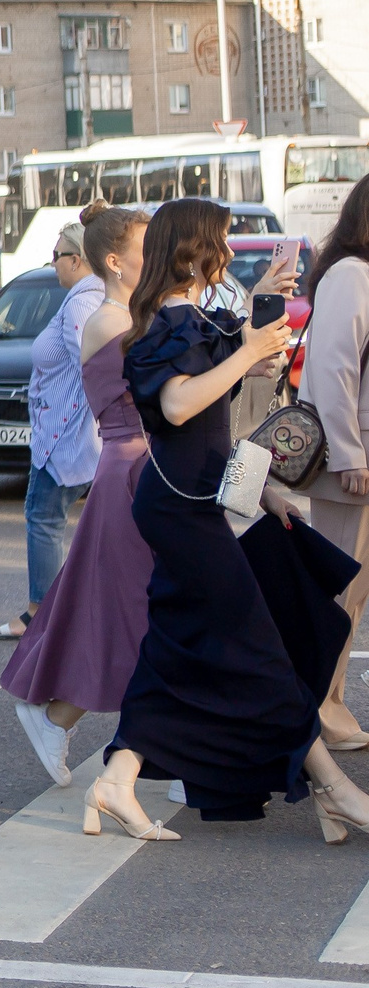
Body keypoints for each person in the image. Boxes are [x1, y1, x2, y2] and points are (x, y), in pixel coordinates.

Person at [84, 197, 369, 843]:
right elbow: (181, 407)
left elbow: (217, 426)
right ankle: (337, 789)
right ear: (194, 250)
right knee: (262, 650)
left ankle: (117, 776)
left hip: (198, 500)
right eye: (220, 241)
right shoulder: (158, 321)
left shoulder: (186, 316)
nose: (227, 252)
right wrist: (246, 353)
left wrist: (261, 489)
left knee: (173, 654)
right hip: (181, 511)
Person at [1, 204, 154, 785]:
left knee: (125, 608)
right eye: (148, 246)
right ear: (115, 261)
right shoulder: (99, 311)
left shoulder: (118, 306)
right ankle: (61, 715)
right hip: (104, 457)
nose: (158, 255)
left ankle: (66, 717)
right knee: (119, 609)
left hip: (120, 462)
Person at [0, 220, 101, 642]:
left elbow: (91, 365)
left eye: (57, 255)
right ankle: (59, 610)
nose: (53, 263)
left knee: (43, 519)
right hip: (70, 433)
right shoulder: (88, 298)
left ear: (77, 260)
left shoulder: (80, 303)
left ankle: (41, 613)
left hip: (65, 438)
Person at [296, 177, 369, 752]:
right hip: (354, 463)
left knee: (355, 591)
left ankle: (330, 700)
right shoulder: (351, 274)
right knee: (343, 590)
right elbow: (332, 369)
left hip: (360, 458)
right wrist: (349, 453)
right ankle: (313, 706)